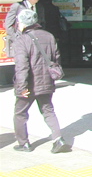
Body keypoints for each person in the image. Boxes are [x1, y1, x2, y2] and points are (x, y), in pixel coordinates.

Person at [12, 9, 68, 153]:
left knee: (20, 113)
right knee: (48, 110)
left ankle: (24, 143)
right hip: (47, 81)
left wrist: (21, 87)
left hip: (29, 84)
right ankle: (58, 139)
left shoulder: (21, 40)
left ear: (23, 23)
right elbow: (56, 59)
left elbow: (22, 67)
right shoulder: (49, 36)